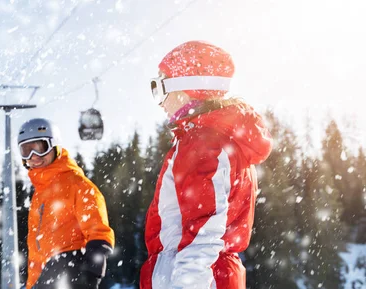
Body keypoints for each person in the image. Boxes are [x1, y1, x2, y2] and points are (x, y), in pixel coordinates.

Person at [140, 40, 273, 289]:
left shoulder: (201, 144)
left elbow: (202, 236)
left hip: (194, 277)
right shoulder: (219, 141)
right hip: (212, 275)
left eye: (160, 88)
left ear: (186, 89)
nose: (160, 102)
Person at [17, 118, 115, 289]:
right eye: (26, 151)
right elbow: (37, 252)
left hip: (70, 269)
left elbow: (98, 231)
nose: (34, 157)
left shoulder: (76, 183)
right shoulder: (39, 195)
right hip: (46, 276)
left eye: (40, 148)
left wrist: (91, 272)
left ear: (55, 146)